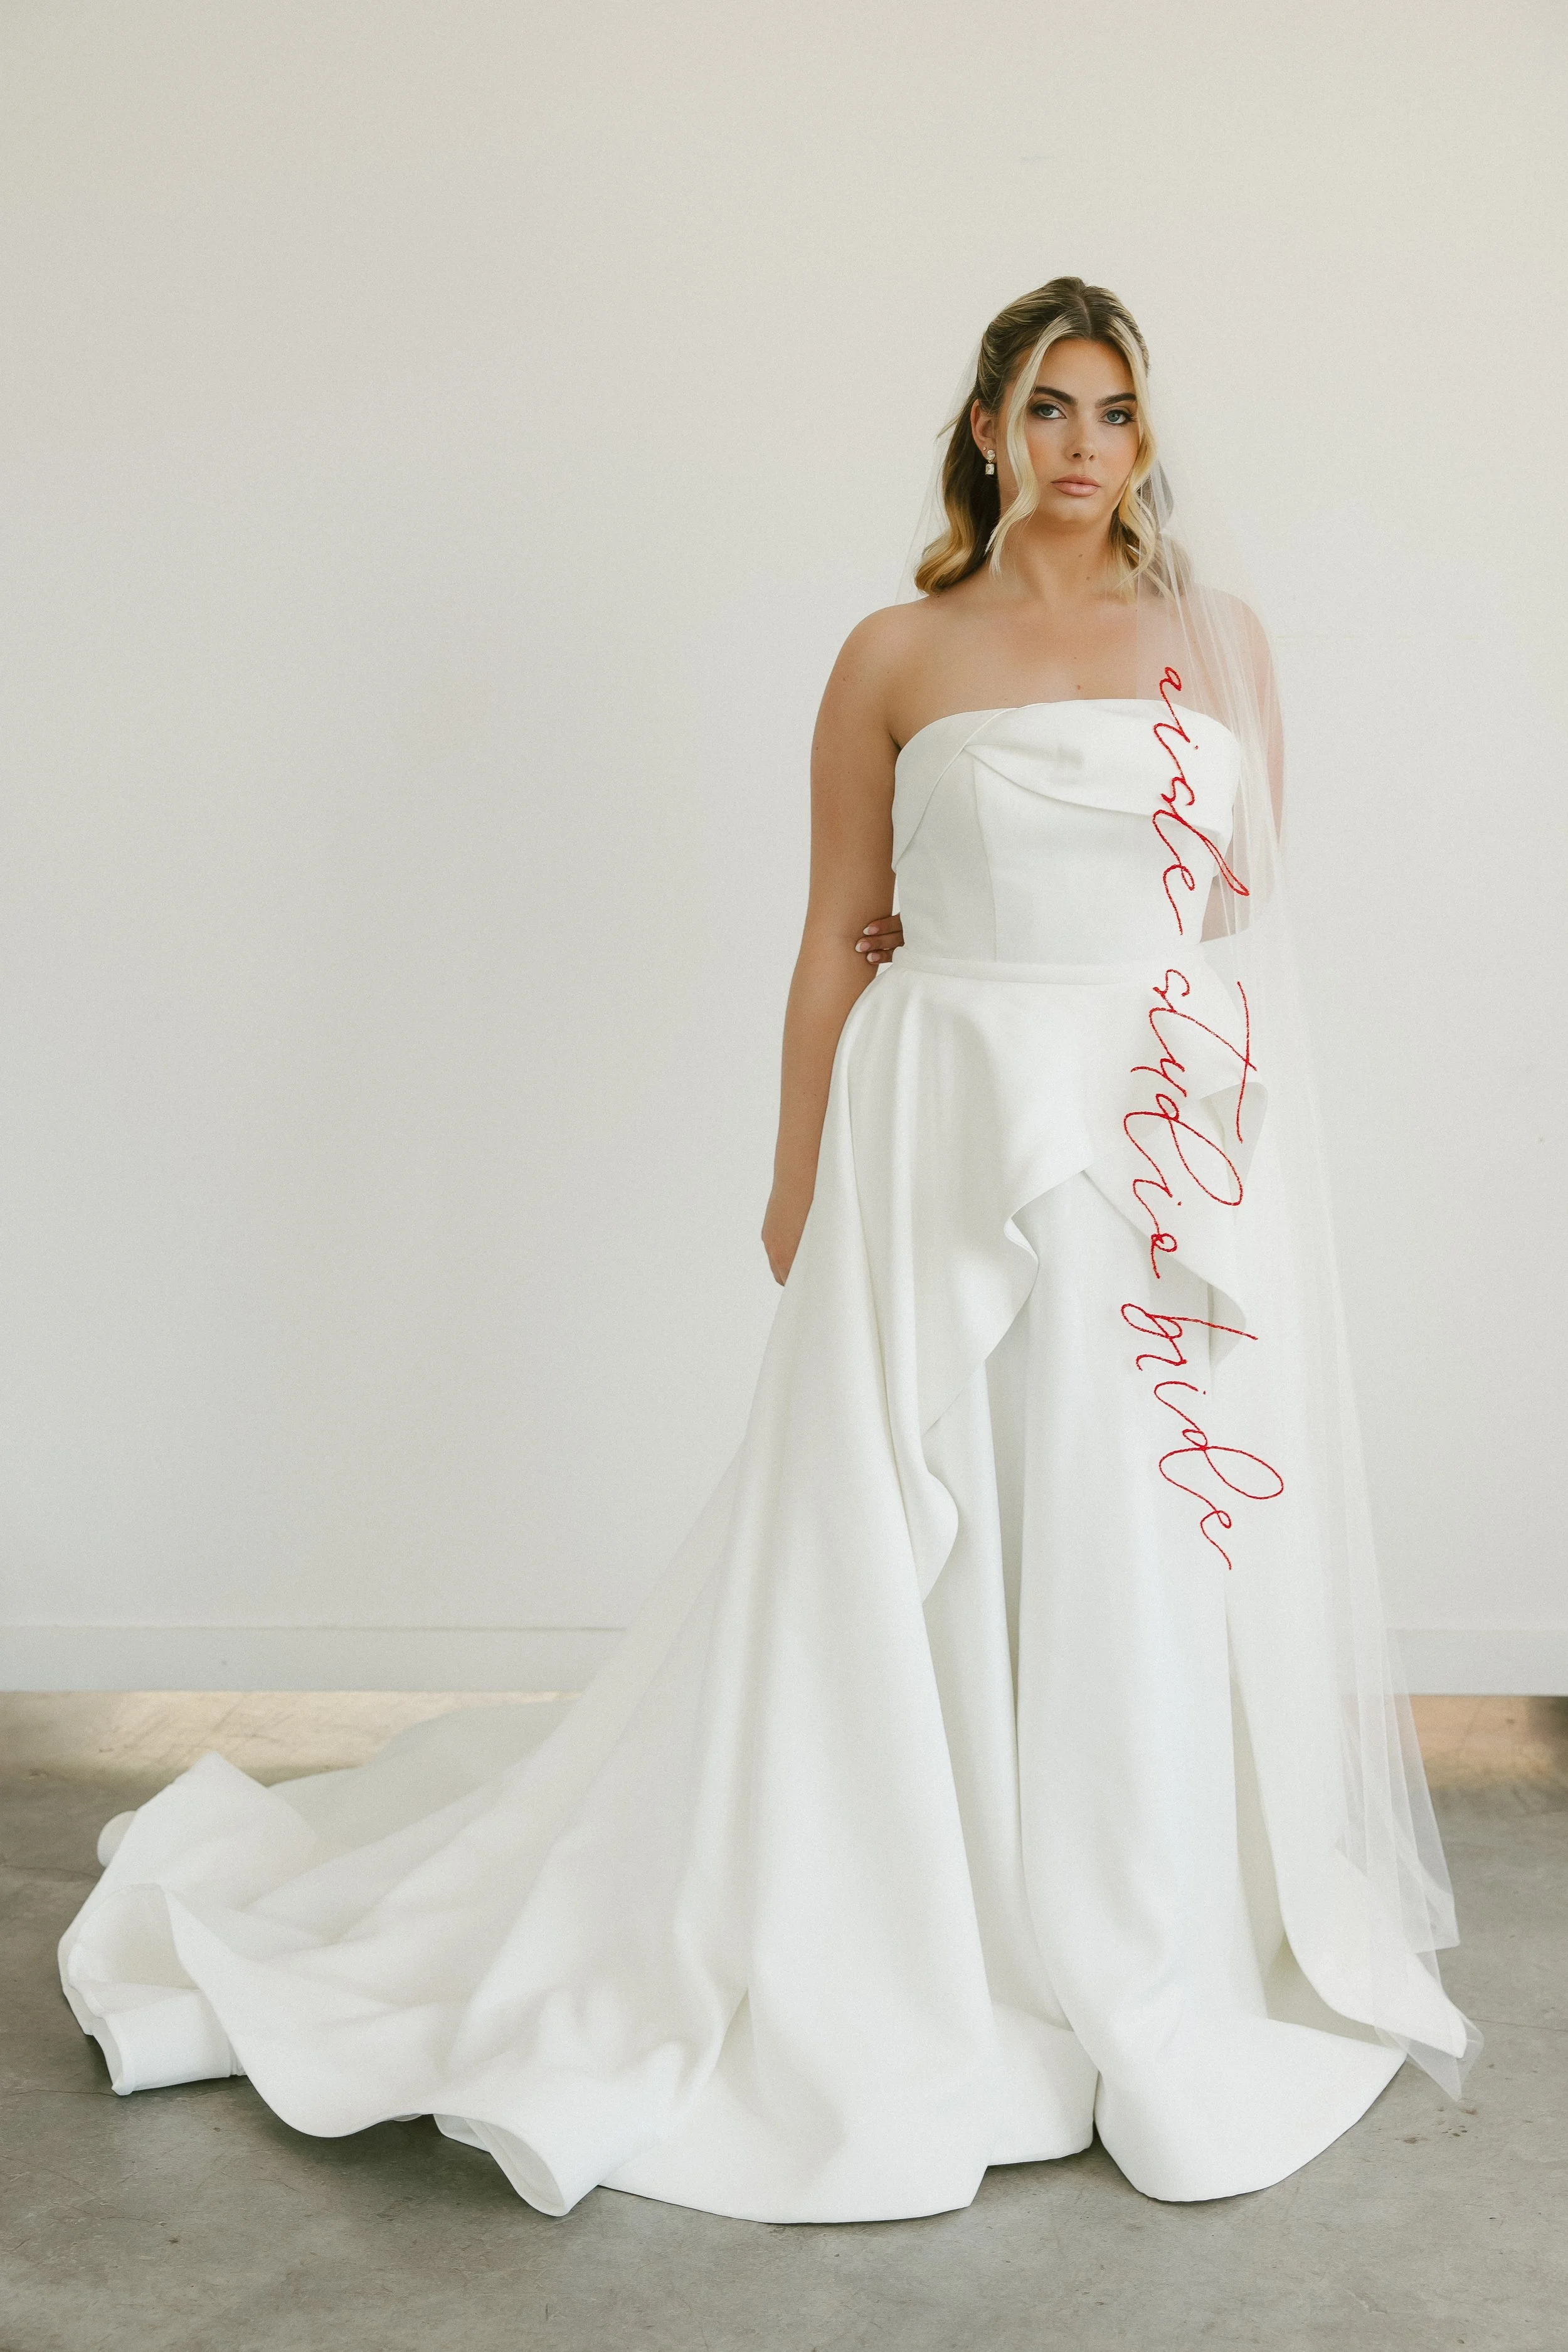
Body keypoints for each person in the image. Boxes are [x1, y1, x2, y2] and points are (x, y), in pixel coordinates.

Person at [58, 277, 1475, 2224]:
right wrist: (796, 1157)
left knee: (1123, 1517)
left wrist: (1227, 1162)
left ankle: (1134, 1901)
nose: (1081, 445)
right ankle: (920, 1914)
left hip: (1150, 1138)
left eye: (1114, 411)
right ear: (985, 429)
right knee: (923, 1512)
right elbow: (839, 926)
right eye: (1046, 408)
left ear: (1146, 439)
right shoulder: (893, 652)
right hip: (944, 1117)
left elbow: (1239, 921)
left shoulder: (1214, 645)